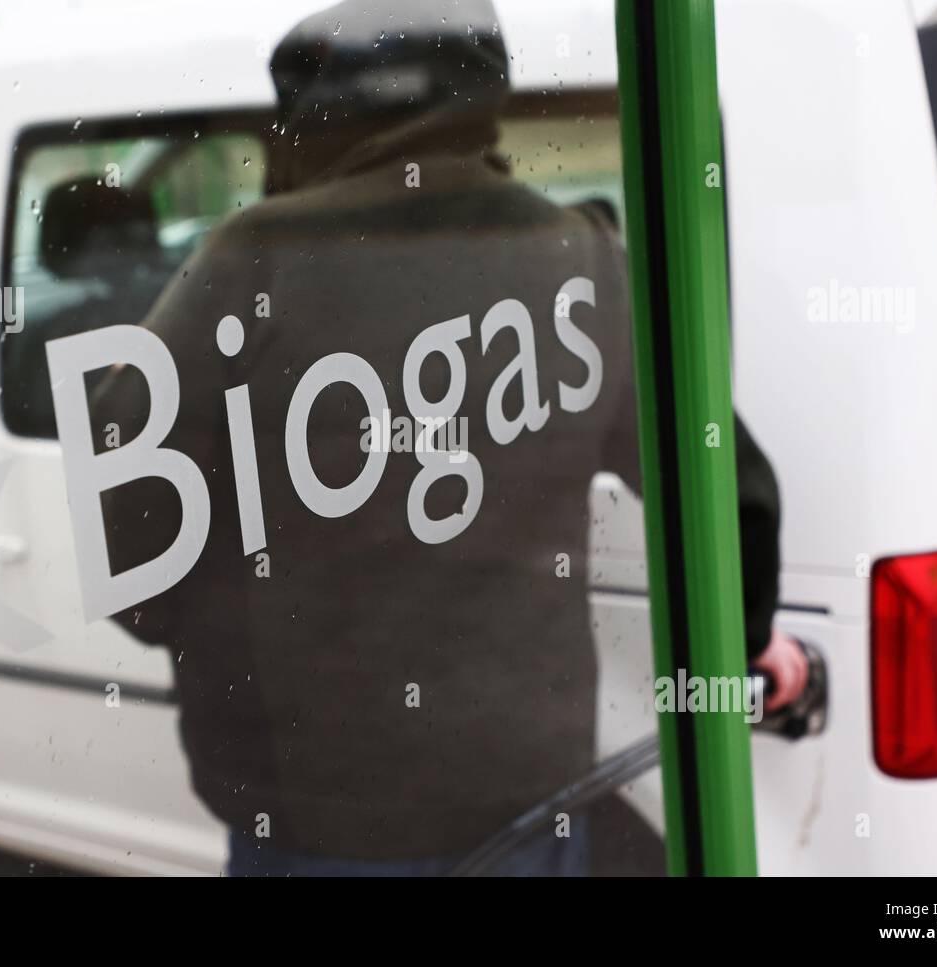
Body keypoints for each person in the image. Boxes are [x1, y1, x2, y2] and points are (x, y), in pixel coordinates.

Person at [91, 0, 801, 876]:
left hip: (314, 816)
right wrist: (750, 633)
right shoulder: (578, 258)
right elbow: (722, 485)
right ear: (481, 99)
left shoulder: (251, 260)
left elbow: (132, 536)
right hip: (528, 799)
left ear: (305, 122)